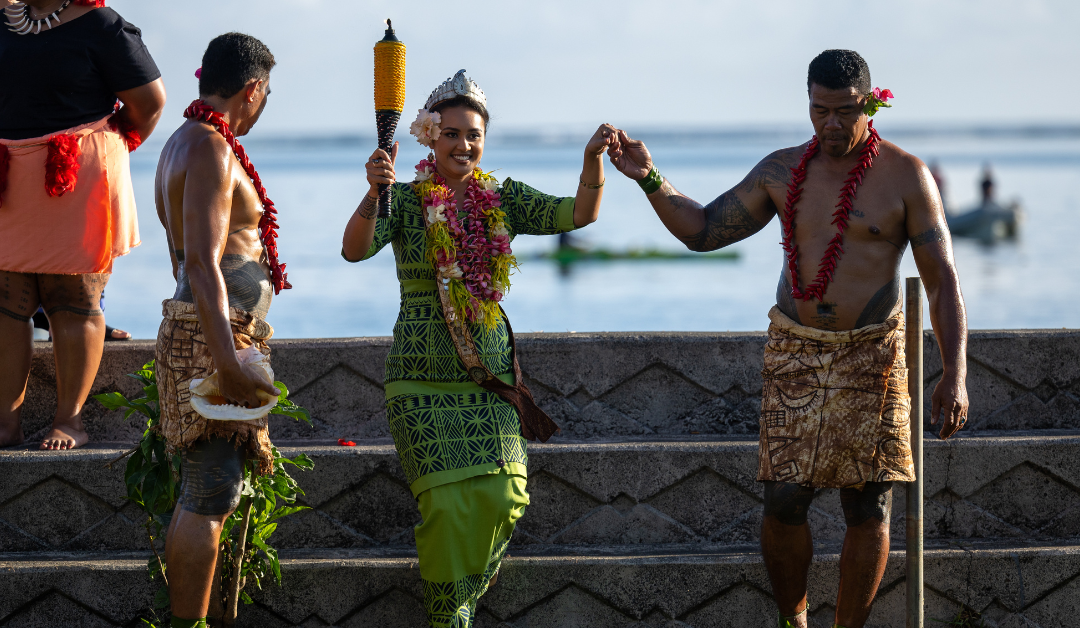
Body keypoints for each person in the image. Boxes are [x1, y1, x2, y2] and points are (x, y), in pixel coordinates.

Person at [607, 50, 969, 628]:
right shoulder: (780, 171)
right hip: (795, 350)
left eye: (844, 112)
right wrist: (649, 177)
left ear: (871, 105)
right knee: (783, 498)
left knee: (868, 502)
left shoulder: (906, 177)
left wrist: (954, 376)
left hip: (872, 352)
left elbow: (943, 282)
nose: (830, 125)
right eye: (818, 110)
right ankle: (792, 621)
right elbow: (703, 231)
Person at [342, 69, 614, 627]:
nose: (463, 145)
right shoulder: (405, 198)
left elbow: (579, 214)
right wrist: (374, 192)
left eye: (473, 135)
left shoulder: (504, 200)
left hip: (488, 382)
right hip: (419, 382)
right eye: (451, 134)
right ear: (429, 138)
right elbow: (354, 250)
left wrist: (592, 163)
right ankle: (450, 617)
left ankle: (459, 602)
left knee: (506, 496)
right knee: (443, 506)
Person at [154, 33, 286, 628]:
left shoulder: (180, 142)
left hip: (209, 327)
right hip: (215, 335)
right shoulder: (208, 147)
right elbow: (203, 262)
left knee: (213, 490)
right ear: (252, 90)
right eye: (266, 95)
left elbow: (183, 259)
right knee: (208, 493)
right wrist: (227, 357)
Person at [0, 0, 165, 450]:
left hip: (75, 174)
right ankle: (4, 424)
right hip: (8, 174)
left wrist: (98, 151)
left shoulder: (101, 25)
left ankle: (70, 421)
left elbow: (149, 103)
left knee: (72, 297)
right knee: (6, 302)